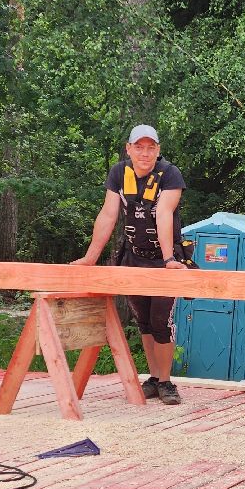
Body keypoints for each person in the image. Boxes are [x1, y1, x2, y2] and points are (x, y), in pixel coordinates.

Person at [72, 124, 186, 405]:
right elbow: (109, 214)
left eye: (150, 147)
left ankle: (166, 381)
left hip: (163, 260)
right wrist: (90, 258)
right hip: (133, 258)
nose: (145, 153)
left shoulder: (169, 174)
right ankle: (153, 377)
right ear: (129, 149)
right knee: (144, 322)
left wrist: (170, 259)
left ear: (158, 150)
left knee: (162, 321)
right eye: (139, 147)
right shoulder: (118, 173)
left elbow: (164, 213)